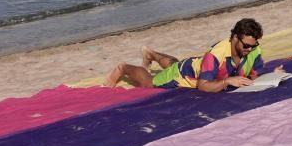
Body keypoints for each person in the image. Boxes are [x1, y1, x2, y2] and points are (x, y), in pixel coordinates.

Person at [104, 18, 278, 91]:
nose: (250, 49)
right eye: (246, 45)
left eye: (253, 45)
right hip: (184, 72)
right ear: (234, 38)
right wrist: (226, 81)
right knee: (151, 83)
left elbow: (254, 74)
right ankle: (124, 67)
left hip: (194, 64)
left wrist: (271, 75)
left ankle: (151, 54)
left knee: (175, 64)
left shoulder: (254, 49)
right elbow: (203, 85)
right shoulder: (216, 55)